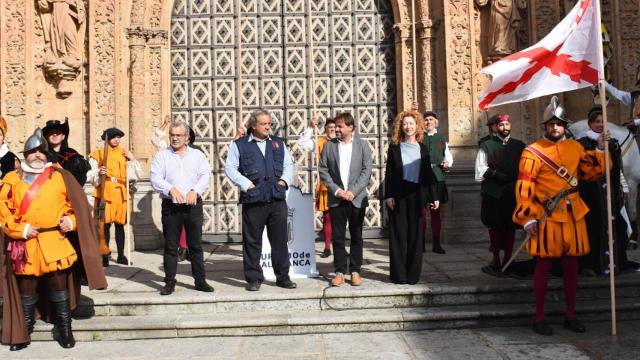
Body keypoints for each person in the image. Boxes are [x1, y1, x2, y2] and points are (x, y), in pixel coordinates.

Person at [0, 128, 106, 351]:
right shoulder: (12, 179)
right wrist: (21, 229)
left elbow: (79, 208)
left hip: (55, 241)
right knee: (27, 289)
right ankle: (25, 329)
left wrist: (72, 222)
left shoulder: (60, 177)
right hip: (26, 243)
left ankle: (65, 329)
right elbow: (3, 211)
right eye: (33, 151)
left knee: (59, 287)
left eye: (42, 151)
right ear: (26, 153)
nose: (37, 155)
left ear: (47, 154)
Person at [513, 96, 609, 335]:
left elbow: (591, 173)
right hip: (545, 216)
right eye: (550, 124)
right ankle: (539, 317)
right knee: (543, 267)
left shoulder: (576, 147)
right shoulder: (532, 151)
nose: (554, 127)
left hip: (574, 214)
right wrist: (528, 218)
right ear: (545, 126)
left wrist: (599, 148)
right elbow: (525, 186)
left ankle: (570, 315)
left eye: (558, 123)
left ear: (565, 126)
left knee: (571, 267)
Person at [225, 109, 297, 291]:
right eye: (264, 124)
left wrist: (284, 181)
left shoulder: (278, 143)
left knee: (280, 240)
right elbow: (231, 168)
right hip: (254, 199)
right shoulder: (239, 144)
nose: (268, 127)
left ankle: (283, 277)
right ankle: (254, 278)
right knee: (252, 241)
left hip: (276, 198)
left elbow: (288, 164)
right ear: (253, 125)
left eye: (269, 123)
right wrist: (246, 184)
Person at [150, 121, 213, 295]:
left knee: (195, 246)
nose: (175, 138)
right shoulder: (162, 156)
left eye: (179, 135)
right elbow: (155, 178)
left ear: (186, 138)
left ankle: (200, 280)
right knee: (171, 246)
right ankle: (169, 281)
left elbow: (205, 176)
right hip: (172, 207)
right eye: (172, 135)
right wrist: (170, 189)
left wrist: (196, 190)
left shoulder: (197, 155)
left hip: (193, 206)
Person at [384, 110, 439, 285]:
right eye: (405, 123)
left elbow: (428, 174)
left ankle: (413, 275)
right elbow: (389, 174)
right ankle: (399, 275)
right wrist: (389, 195)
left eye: (411, 123)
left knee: (416, 235)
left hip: (417, 195)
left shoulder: (422, 148)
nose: (408, 126)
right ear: (401, 127)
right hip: (399, 195)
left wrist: (433, 196)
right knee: (399, 235)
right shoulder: (394, 149)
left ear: (417, 127)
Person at [319, 112, 373, 287]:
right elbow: (323, 171)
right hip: (337, 199)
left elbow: (366, 171)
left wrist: (353, 191)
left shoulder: (363, 146)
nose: (337, 129)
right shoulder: (329, 146)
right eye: (335, 126)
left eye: (340, 126)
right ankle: (340, 271)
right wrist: (338, 191)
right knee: (338, 236)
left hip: (356, 199)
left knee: (356, 235)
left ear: (351, 127)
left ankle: (356, 270)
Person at [578, 106, 631, 275]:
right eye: (597, 122)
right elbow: (584, 169)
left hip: (610, 193)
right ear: (590, 124)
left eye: (603, 121)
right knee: (594, 229)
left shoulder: (613, 143)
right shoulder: (582, 143)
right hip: (591, 194)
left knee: (615, 228)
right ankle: (594, 265)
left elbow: (618, 168)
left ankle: (615, 264)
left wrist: (623, 184)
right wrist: (599, 149)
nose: (600, 125)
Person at [475, 114, 525, 276]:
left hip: (512, 192)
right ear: (496, 127)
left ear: (510, 125)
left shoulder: (519, 145)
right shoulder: (487, 145)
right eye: (501, 125)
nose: (504, 127)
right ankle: (496, 259)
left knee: (510, 227)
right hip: (493, 193)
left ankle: (508, 258)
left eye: (506, 124)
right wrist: (496, 175)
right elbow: (480, 170)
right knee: (495, 227)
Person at [87, 128, 142, 266]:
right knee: (104, 226)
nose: (116, 139)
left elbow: (135, 175)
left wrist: (132, 160)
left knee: (120, 225)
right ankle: (104, 256)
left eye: (118, 137)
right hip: (105, 192)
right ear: (107, 139)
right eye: (113, 137)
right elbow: (91, 175)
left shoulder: (124, 153)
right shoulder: (98, 154)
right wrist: (100, 172)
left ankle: (121, 255)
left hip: (120, 193)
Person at [298, 116, 337, 258]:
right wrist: (310, 127)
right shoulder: (319, 142)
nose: (332, 130)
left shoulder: (342, 142)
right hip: (326, 184)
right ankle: (327, 247)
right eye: (329, 128)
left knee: (339, 217)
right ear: (325, 129)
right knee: (327, 217)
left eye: (334, 128)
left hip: (341, 184)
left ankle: (340, 246)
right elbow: (302, 143)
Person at [423, 111, 452, 254]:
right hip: (421, 178)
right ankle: (420, 244)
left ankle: (436, 243)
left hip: (437, 177)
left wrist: (447, 163)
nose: (428, 122)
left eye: (431, 120)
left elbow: (448, 156)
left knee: (436, 212)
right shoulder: (418, 138)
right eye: (426, 120)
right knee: (420, 213)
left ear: (436, 122)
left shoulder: (442, 138)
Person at [43, 118, 91, 186]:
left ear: (63, 136)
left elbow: (81, 178)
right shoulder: (41, 155)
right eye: (51, 133)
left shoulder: (72, 154)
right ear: (47, 137)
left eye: (57, 132)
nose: (54, 135)